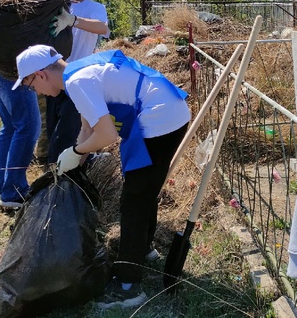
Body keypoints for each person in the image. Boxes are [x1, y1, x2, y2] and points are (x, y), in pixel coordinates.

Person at [12, 44, 190, 307]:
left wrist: (75, 151)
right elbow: (88, 129)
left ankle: (128, 287)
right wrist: (75, 160)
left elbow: (107, 136)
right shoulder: (76, 74)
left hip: (161, 118)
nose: (35, 91)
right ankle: (143, 249)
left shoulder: (77, 82)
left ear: (40, 75)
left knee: (134, 199)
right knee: (142, 189)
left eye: (29, 85)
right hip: (164, 112)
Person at [40, 0, 110, 165]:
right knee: (54, 128)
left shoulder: (93, 8)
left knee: (71, 129)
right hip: (53, 78)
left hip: (79, 77)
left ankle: (69, 169)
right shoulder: (55, 6)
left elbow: (102, 28)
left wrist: (73, 21)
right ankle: (59, 167)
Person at [0, 54, 41, 210]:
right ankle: (14, 191)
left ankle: (4, 186)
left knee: (11, 126)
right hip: (13, 65)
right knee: (28, 126)